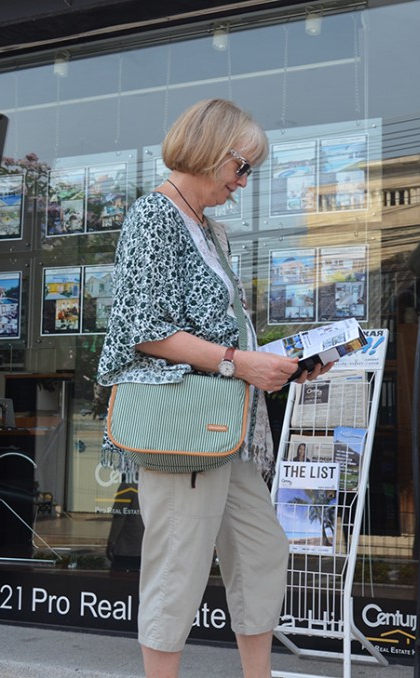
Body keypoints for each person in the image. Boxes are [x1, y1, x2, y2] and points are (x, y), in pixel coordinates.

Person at [97, 98, 333, 678]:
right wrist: (238, 363)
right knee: (178, 564)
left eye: (249, 169)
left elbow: (222, 332)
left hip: (227, 423)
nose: (243, 182)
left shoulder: (210, 230)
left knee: (261, 549)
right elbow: (145, 331)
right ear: (208, 150)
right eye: (241, 166)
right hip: (186, 420)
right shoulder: (155, 216)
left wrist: (277, 364)